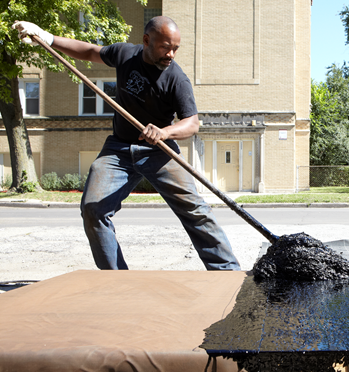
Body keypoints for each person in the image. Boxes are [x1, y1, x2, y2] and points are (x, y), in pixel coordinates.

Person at [13, 17, 240, 271]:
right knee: (93, 209)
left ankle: (227, 272)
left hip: (158, 151)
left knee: (196, 211)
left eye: (176, 47)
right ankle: (116, 278)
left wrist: (165, 132)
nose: (171, 54)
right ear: (146, 41)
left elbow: (192, 123)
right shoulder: (125, 55)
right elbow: (90, 51)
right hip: (118, 149)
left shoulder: (177, 79)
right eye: (166, 46)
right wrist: (48, 38)